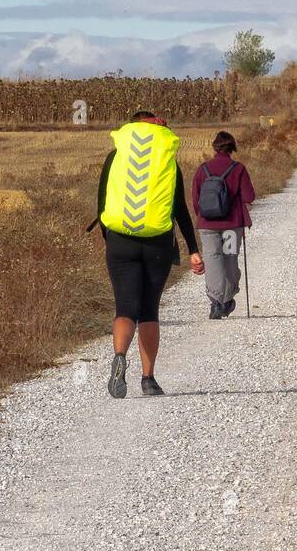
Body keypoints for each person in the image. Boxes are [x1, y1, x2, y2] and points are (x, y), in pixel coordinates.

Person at [93, 110, 203, 399]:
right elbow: (179, 208)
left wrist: (111, 241)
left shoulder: (114, 157)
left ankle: (119, 356)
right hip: (157, 243)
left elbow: (102, 204)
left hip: (120, 241)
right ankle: (148, 379)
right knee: (149, 310)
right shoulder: (167, 161)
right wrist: (193, 248)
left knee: (124, 308)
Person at [191, 131, 256, 320]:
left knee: (212, 261)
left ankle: (216, 303)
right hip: (231, 225)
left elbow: (196, 200)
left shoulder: (203, 169)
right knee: (229, 259)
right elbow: (249, 197)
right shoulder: (238, 169)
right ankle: (227, 299)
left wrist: (204, 216)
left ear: (214, 147)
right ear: (232, 148)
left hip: (207, 225)